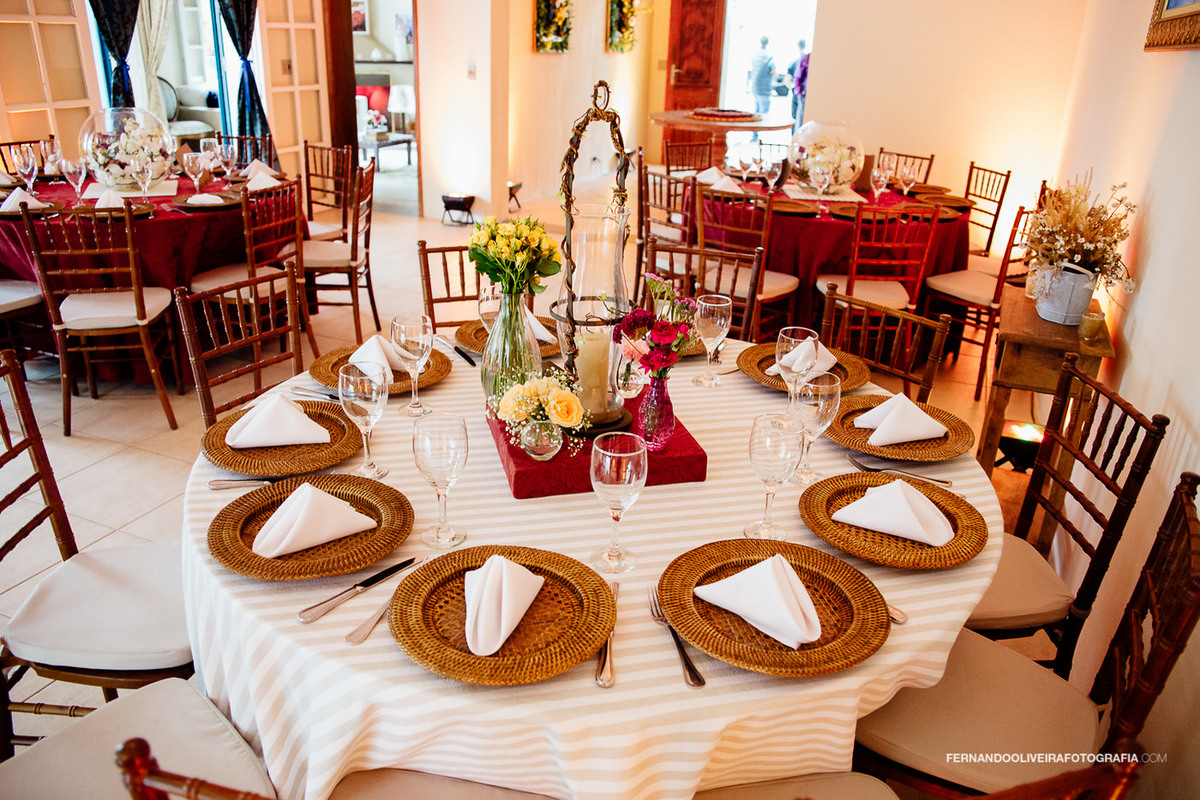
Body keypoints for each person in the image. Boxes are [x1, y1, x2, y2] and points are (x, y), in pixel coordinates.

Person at [746, 36, 775, 141]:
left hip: (755, 87)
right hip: (764, 88)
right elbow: (774, 72)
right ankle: (756, 136)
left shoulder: (755, 56)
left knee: (757, 112)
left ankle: (754, 135)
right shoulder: (769, 57)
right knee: (763, 114)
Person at [787, 38, 810, 131]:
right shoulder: (805, 58)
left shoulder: (798, 59)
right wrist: (800, 95)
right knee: (799, 122)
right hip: (803, 95)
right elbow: (796, 78)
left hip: (801, 94)